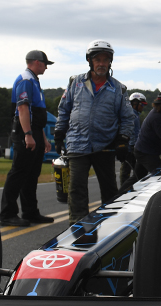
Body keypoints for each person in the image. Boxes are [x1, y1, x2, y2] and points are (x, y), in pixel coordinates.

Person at [53, 40, 134, 223]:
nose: (101, 64)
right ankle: (77, 225)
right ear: (89, 61)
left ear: (110, 62)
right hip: (77, 144)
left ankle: (110, 224)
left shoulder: (119, 89)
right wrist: (59, 134)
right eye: (98, 60)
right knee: (76, 188)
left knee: (109, 189)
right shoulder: (75, 83)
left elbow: (128, 117)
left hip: (104, 146)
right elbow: (64, 109)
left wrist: (123, 140)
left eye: (105, 60)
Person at [0, 50, 55, 227]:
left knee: (32, 174)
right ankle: (8, 213)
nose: (46, 67)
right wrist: (28, 134)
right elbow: (23, 109)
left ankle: (30, 212)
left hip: (34, 130)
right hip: (25, 131)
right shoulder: (26, 80)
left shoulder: (34, 80)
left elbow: (36, 114)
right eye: (45, 63)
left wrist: (42, 137)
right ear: (37, 62)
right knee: (19, 172)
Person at [134, 91, 161, 179]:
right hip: (145, 152)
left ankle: (126, 188)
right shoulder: (157, 117)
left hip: (146, 150)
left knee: (137, 178)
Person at [120, 92, 148, 185]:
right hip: (130, 148)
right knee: (127, 171)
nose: (142, 107)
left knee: (129, 171)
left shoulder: (135, 115)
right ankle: (124, 190)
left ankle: (126, 188)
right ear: (135, 103)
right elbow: (134, 134)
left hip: (131, 147)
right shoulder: (133, 116)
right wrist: (134, 146)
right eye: (142, 104)